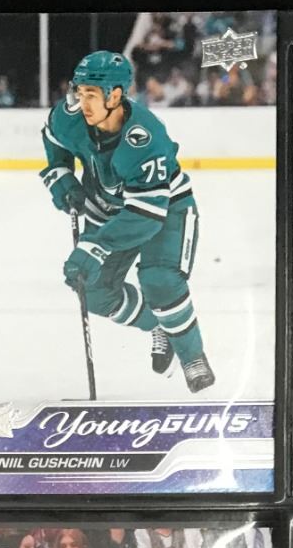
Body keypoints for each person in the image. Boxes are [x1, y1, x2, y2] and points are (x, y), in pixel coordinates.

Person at [41, 50, 215, 392]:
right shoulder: (71, 116)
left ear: (115, 95)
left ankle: (192, 356)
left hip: (165, 209)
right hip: (108, 208)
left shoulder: (145, 136)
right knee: (92, 291)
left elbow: (146, 215)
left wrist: (94, 246)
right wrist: (60, 174)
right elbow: (53, 138)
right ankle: (159, 325)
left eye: (92, 94)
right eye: (80, 92)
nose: (82, 102)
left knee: (160, 280)